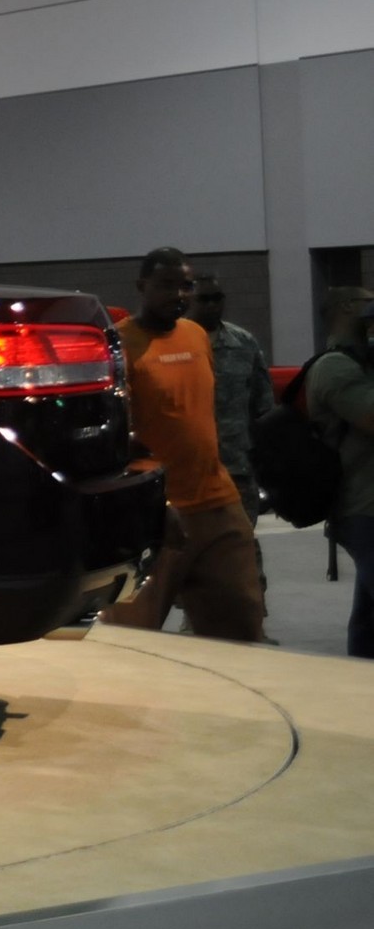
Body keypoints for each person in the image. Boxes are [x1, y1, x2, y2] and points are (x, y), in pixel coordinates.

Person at [96, 247, 266, 643]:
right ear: (142, 287)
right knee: (134, 640)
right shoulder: (120, 346)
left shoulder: (196, 335)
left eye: (185, 285)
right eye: (166, 285)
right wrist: (148, 502)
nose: (179, 294)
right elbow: (115, 435)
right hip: (155, 514)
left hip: (217, 503)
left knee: (242, 629)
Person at [303, 286, 374, 659]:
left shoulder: (360, 363)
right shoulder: (334, 367)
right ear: (347, 307)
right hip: (361, 507)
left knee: (367, 617)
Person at [191, 275, 276, 521]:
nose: (211, 305)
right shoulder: (175, 343)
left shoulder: (243, 343)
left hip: (237, 465)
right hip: (189, 469)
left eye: (217, 298)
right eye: (203, 299)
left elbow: (263, 404)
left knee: (242, 543)